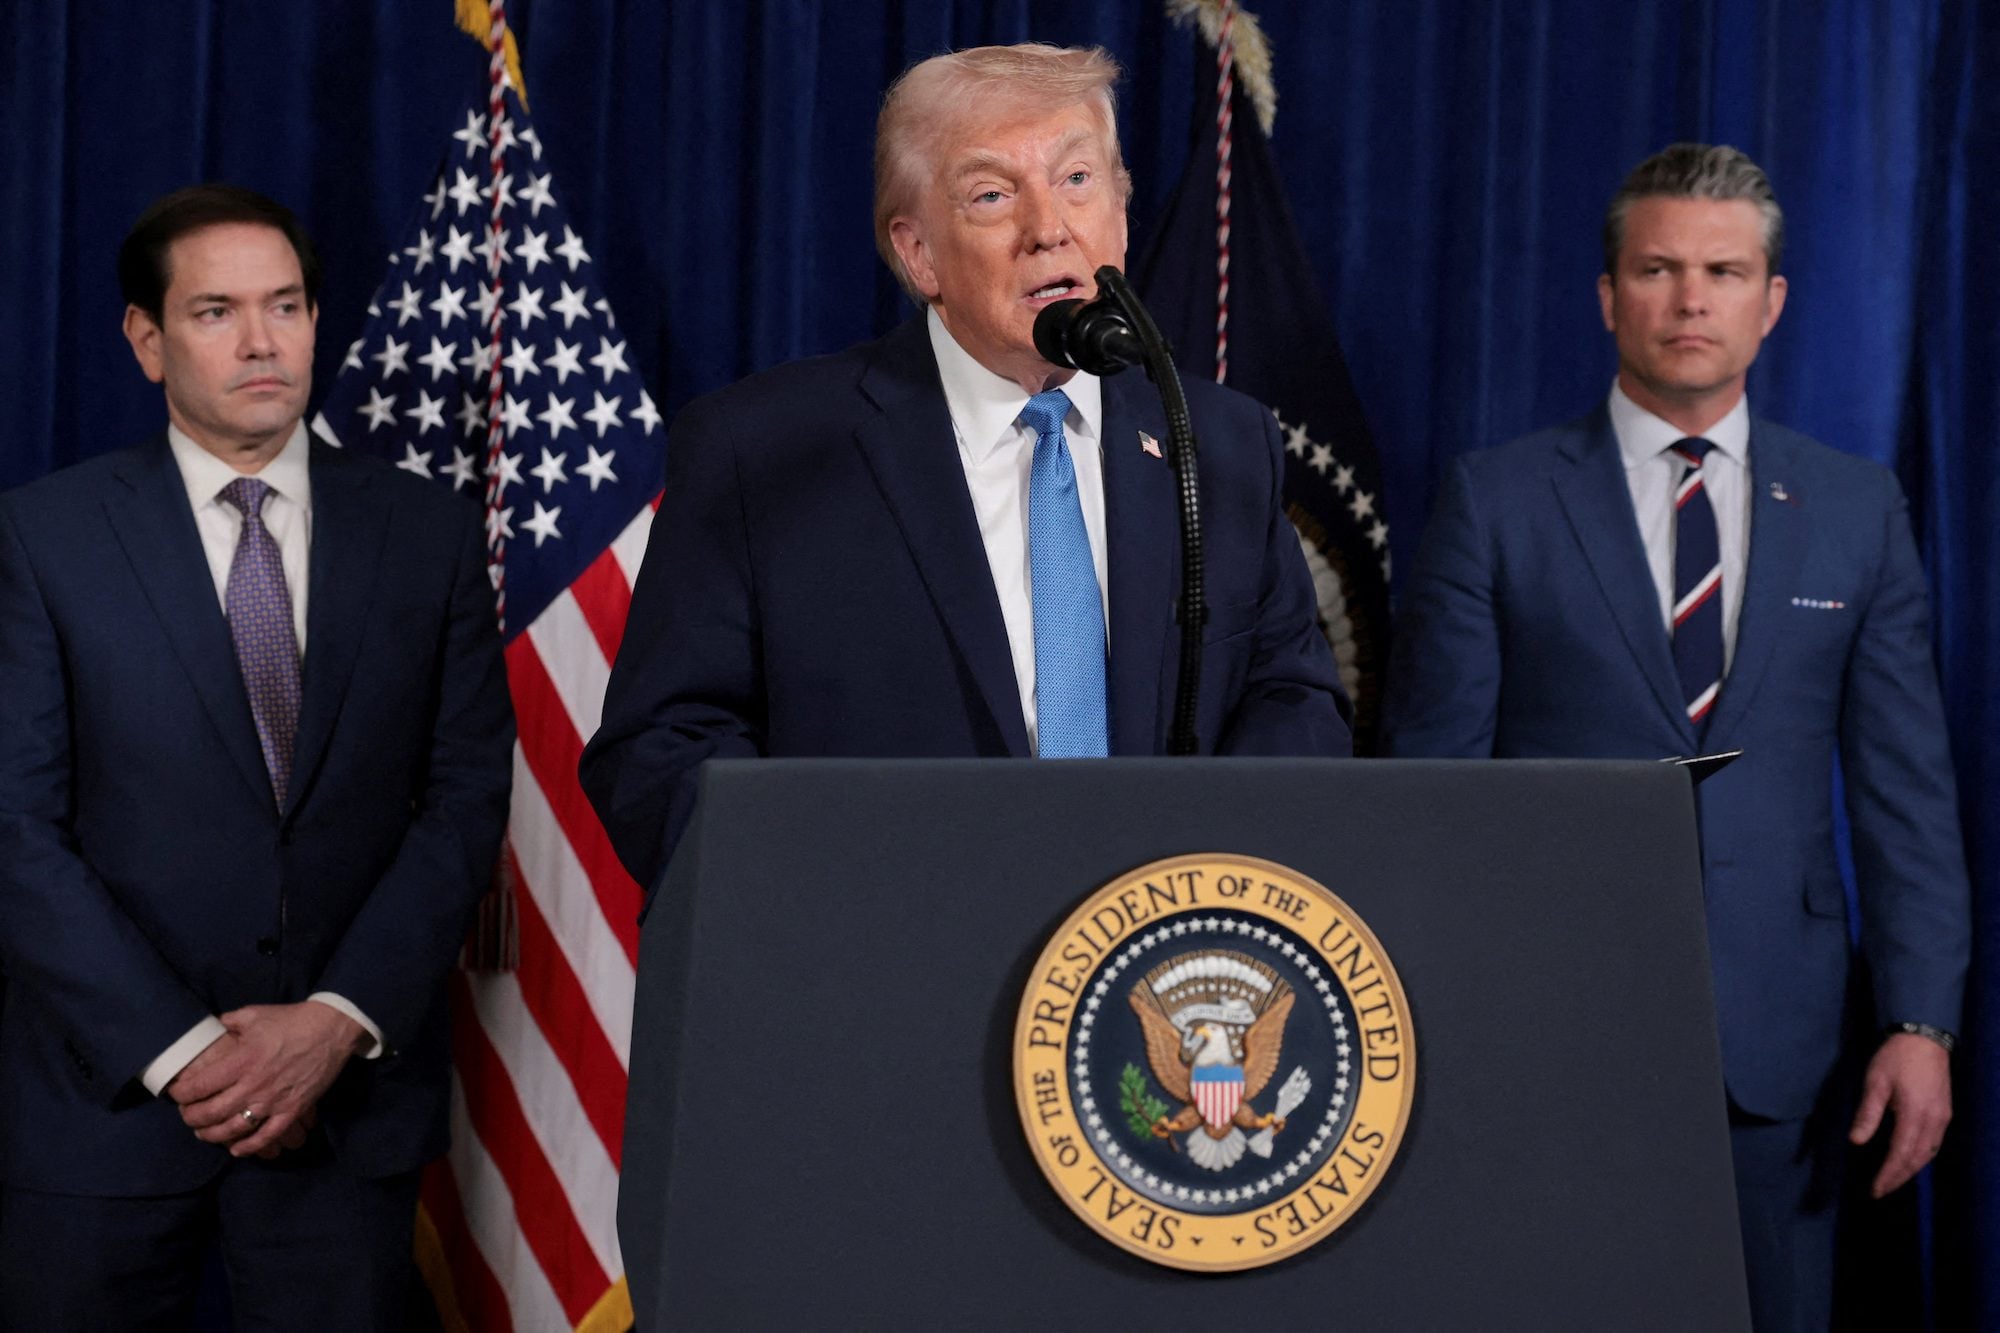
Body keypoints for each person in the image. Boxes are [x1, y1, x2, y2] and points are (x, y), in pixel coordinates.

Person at [1383, 144, 1968, 1330]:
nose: (1688, 298)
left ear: (1771, 302)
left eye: (1720, 270)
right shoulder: (1494, 500)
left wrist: (1919, 1023)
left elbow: (1904, 794)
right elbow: (1431, 790)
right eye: (1656, 269)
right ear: (1607, 295)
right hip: (1543, 1029)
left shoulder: (1856, 509)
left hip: (1779, 1051)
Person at [581, 43, 1350, 892]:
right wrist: (841, 908)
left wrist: (1196, 882)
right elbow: (661, 750)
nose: (1048, 227)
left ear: (1122, 217)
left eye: (1078, 180)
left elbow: (1295, 703)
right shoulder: (761, 453)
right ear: (919, 256)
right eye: (992, 194)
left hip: (1151, 974)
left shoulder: (1221, 443)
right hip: (880, 983)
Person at [0, 184, 513, 1328]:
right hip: (106, 1111)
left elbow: (465, 797)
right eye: (216, 311)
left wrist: (336, 1016)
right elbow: (14, 827)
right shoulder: (43, 538)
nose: (261, 341)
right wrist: (183, 1051)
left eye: (285, 306)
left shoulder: (426, 532)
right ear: (148, 338)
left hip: (344, 1113)